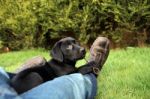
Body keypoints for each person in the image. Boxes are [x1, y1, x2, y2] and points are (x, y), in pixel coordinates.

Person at [0, 37, 110, 99]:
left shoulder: (57, 66)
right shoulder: (60, 67)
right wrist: (84, 67)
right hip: (24, 86)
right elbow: (71, 73)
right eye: (69, 47)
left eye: (76, 43)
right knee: (73, 78)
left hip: (9, 87)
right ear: (58, 54)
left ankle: (16, 73)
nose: (80, 48)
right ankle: (92, 70)